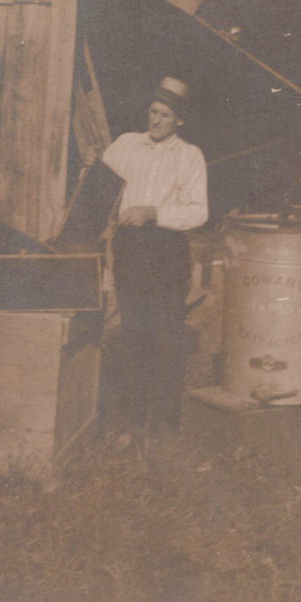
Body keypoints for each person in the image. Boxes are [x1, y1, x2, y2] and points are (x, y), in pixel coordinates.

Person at [95, 76, 208, 443]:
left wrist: (154, 213)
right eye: (153, 112)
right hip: (129, 249)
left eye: (165, 115)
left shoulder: (189, 156)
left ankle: (164, 425)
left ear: (180, 121)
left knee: (166, 337)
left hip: (166, 252)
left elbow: (198, 213)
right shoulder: (126, 144)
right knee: (134, 334)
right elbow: (99, 185)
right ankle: (132, 419)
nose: (156, 120)